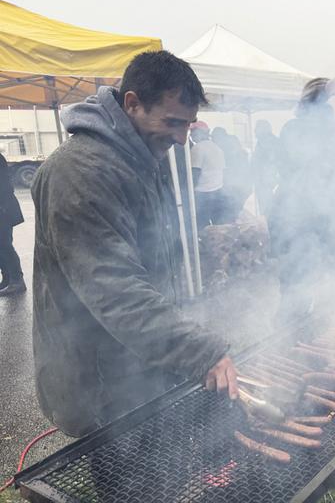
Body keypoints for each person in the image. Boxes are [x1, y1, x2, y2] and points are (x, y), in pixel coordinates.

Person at [31, 50, 238, 439]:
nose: (181, 139)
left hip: (137, 363)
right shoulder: (80, 173)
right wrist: (199, 351)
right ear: (132, 103)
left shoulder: (140, 156)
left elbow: (154, 252)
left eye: (189, 126)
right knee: (122, 479)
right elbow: (115, 289)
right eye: (173, 122)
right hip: (97, 379)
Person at [269, 77, 335, 321]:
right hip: (301, 232)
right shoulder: (296, 131)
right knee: (296, 296)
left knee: (333, 297)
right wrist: (323, 93)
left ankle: (320, 339)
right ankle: (286, 343)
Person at [190, 121, 226, 230]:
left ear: (200, 133)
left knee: (202, 227)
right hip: (218, 192)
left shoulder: (198, 148)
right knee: (217, 229)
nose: (191, 136)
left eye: (192, 132)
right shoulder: (217, 148)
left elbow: (195, 173)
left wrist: (188, 191)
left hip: (203, 194)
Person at [211, 126, 252, 222]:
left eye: (214, 138)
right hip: (241, 186)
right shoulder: (239, 151)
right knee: (234, 213)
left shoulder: (228, 149)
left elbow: (229, 171)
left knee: (231, 214)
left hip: (236, 187)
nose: (213, 140)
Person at [0, 152, 26, 296]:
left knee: (4, 245)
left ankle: (17, 281)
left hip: (3, 208)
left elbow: (4, 184)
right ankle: (7, 279)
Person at [251, 119, 281, 217]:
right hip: (263, 180)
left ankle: (270, 226)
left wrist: (267, 179)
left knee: (268, 209)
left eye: (256, 128)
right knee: (265, 209)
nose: (254, 131)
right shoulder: (262, 141)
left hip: (267, 181)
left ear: (263, 129)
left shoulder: (269, 141)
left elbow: (272, 162)